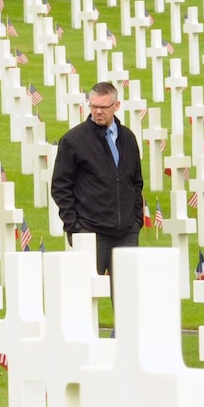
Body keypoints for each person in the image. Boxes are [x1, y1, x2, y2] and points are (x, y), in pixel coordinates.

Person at [50, 81, 144, 277]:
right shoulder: (74, 140)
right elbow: (60, 187)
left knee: (128, 297)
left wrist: (136, 220)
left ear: (116, 106)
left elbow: (135, 182)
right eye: (94, 106)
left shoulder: (128, 138)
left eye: (103, 107)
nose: (98, 111)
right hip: (90, 232)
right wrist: (74, 227)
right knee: (84, 295)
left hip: (126, 233)